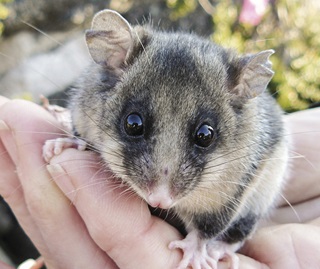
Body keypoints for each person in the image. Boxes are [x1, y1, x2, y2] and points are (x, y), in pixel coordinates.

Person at [0, 95, 319, 269]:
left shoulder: (242, 133)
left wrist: (202, 237)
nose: (160, 196)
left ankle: (222, 238)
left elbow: (238, 182)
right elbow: (88, 103)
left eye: (203, 137)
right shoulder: (106, 88)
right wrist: (78, 137)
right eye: (135, 125)